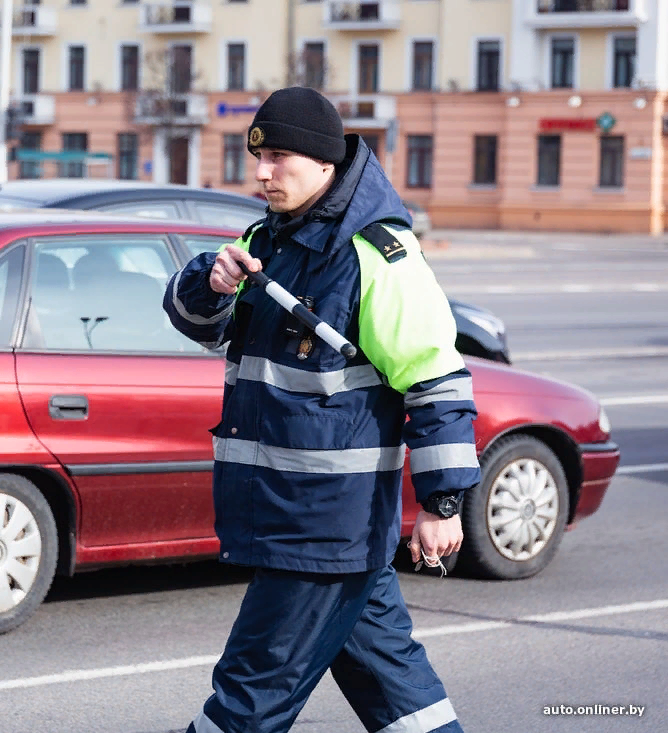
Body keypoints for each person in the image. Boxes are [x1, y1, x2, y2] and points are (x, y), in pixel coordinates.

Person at [163, 86, 481, 733]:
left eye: (278, 157)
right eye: (257, 157)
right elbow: (194, 321)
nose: (261, 173)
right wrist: (210, 280)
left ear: (324, 162)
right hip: (304, 517)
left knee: (247, 696)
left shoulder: (375, 251)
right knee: (400, 693)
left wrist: (444, 502)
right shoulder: (267, 237)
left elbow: (435, 377)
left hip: (319, 527)